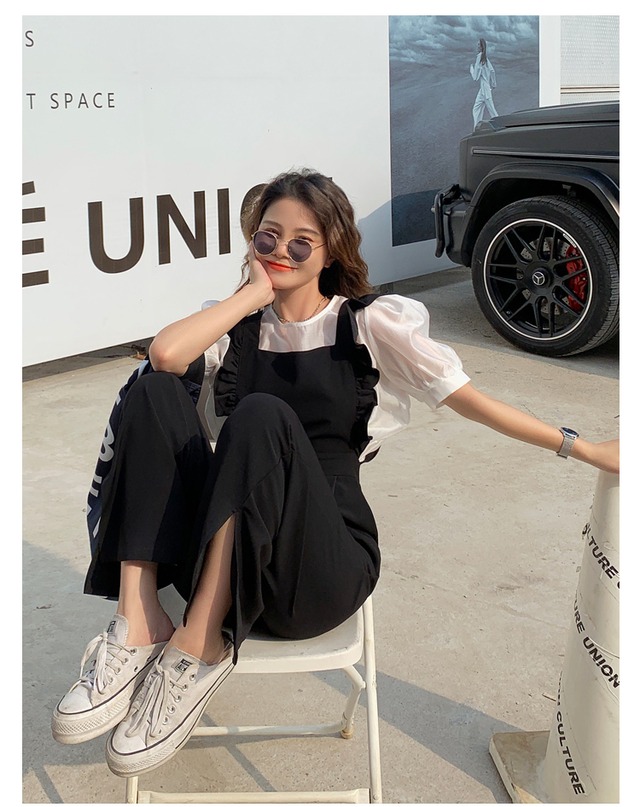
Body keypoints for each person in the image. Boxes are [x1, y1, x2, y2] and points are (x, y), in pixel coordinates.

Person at [51, 168, 619, 779]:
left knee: (260, 415)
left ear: (331, 251)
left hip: (315, 571)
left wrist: (583, 448)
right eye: (268, 237)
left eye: (302, 243)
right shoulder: (235, 324)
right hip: (224, 553)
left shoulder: (369, 325)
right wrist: (250, 298)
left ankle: (200, 646)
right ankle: (140, 622)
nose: (281, 252)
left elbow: (474, 403)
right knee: (154, 389)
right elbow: (165, 355)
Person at [471, 37, 498, 129]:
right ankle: (476, 128)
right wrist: (493, 83)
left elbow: (475, 77)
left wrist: (471, 69)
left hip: (485, 90)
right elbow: (492, 71)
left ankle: (500, 126)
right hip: (483, 89)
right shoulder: (485, 58)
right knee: (476, 109)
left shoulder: (479, 57)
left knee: (492, 111)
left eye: (479, 45)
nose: (477, 46)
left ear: (482, 47)